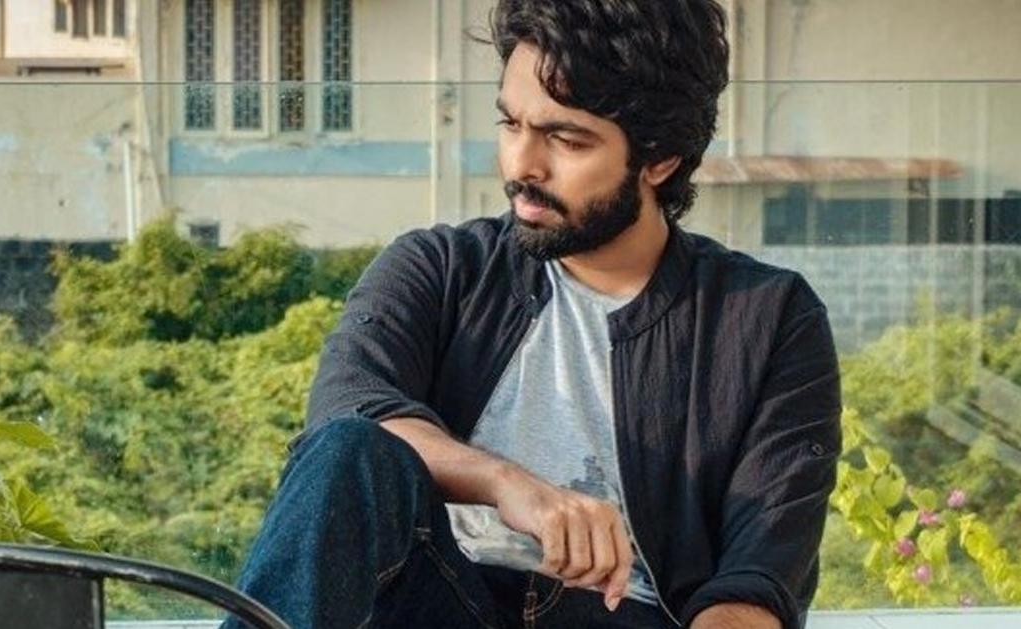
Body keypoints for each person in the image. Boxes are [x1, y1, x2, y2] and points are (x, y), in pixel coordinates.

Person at [225, 1, 841, 628]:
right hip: (438, 603)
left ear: (661, 160)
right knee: (350, 448)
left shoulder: (767, 319)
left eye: (566, 140)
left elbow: (756, 581)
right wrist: (507, 484)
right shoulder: (439, 267)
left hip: (619, 618)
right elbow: (348, 415)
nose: (522, 165)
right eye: (511, 123)